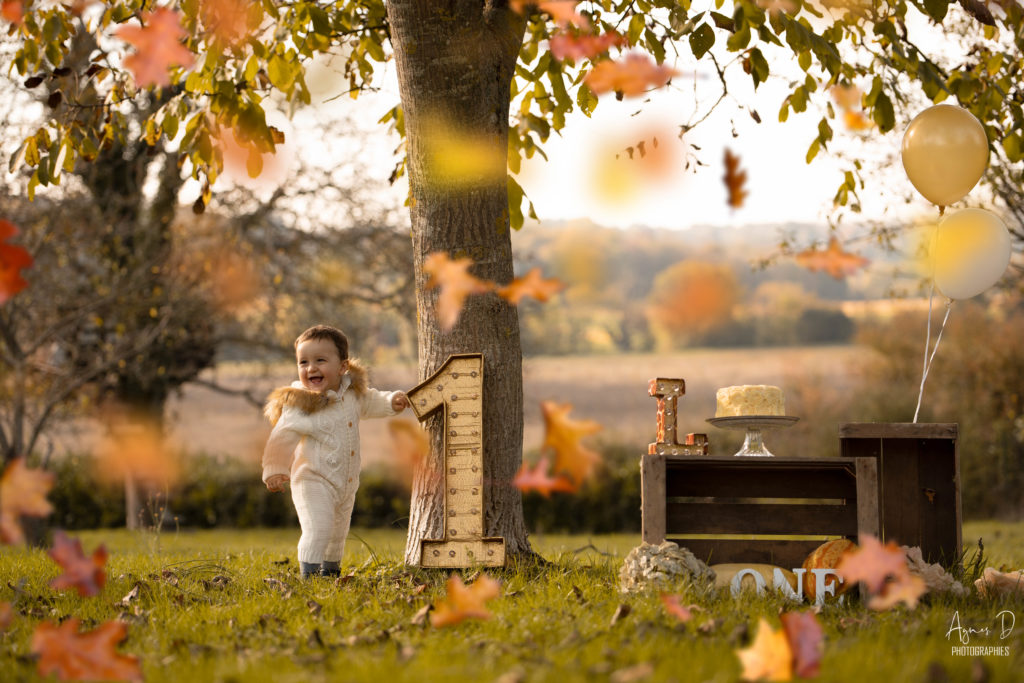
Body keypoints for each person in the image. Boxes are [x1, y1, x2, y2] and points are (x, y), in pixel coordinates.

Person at [262, 325, 409, 577]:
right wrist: (274, 469)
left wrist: (391, 401)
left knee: (337, 533)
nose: (311, 368)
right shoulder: (300, 405)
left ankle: (330, 574)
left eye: (320, 360)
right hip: (312, 479)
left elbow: (372, 401)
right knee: (318, 528)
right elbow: (281, 437)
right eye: (303, 362)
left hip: (346, 483)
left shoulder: (352, 394)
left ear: (343, 367)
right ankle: (309, 577)